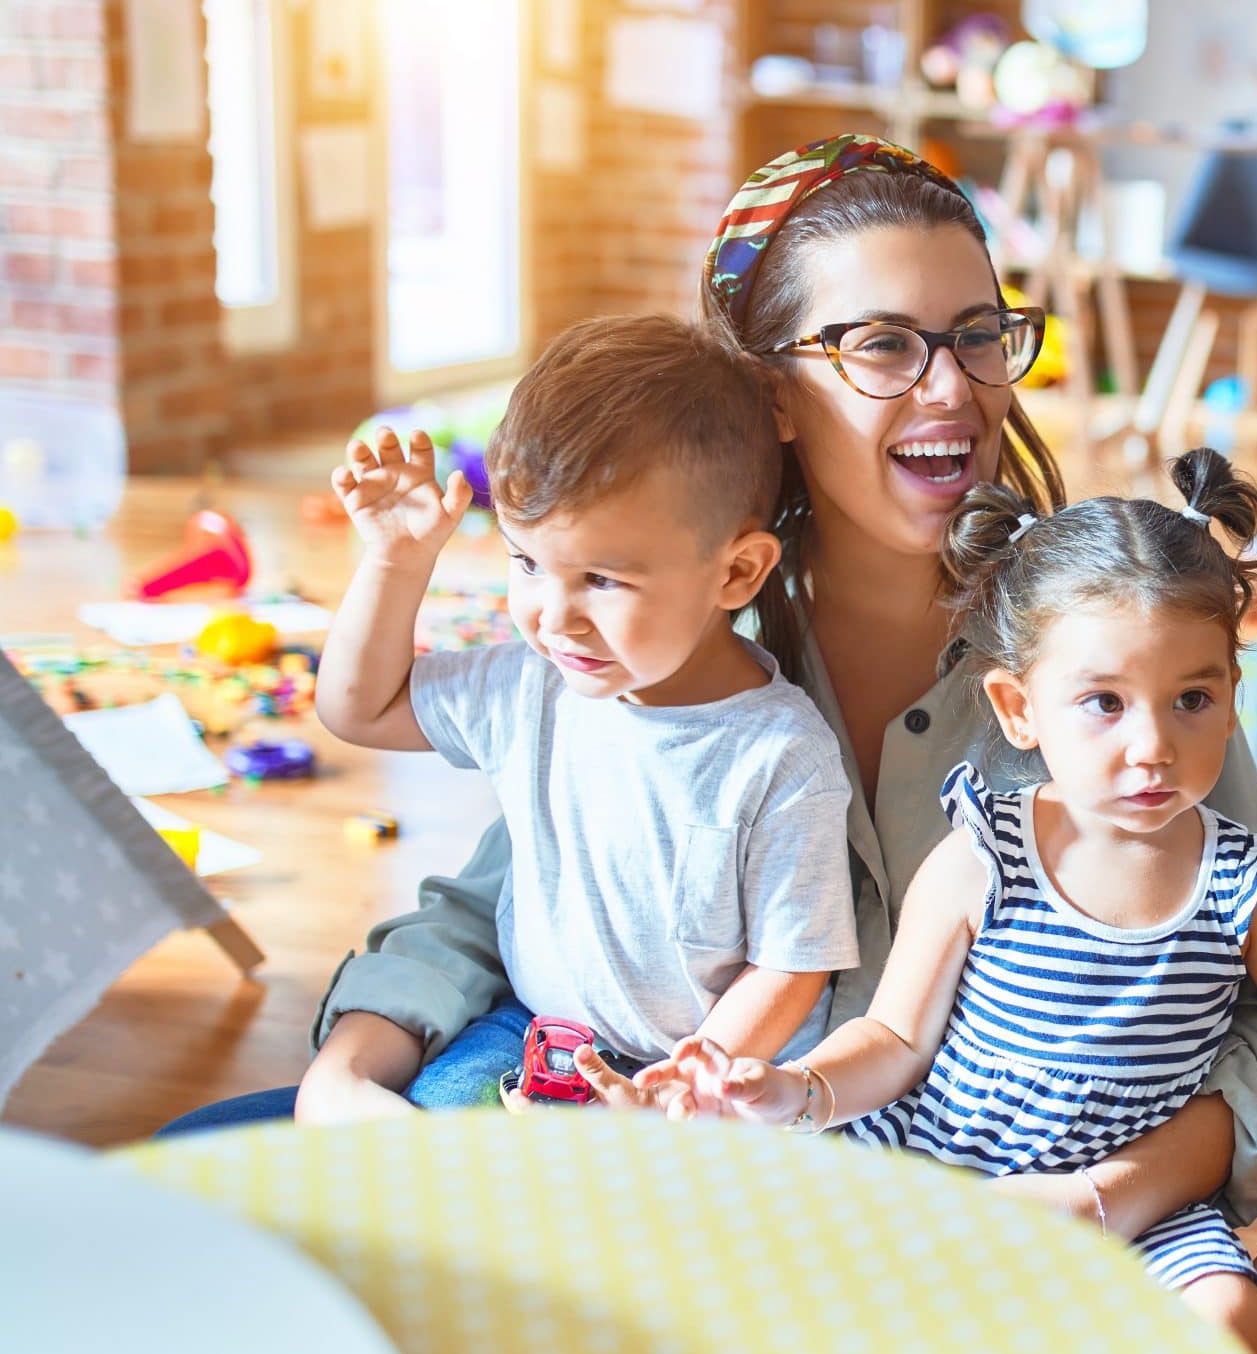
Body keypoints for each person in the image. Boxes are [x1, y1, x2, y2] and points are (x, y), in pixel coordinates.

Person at [166, 135, 1257, 1254]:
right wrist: (349, 1065)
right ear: (768, 394)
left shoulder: (1108, 657)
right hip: (660, 1160)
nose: (951, 387)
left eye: (975, 334)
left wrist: (1108, 1195)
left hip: (957, 1221)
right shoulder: (663, 636)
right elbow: (497, 903)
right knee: (184, 1188)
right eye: (881, 345)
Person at [629, 451, 1257, 1354]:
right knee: (765, 1265)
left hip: (1140, 1204)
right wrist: (800, 1090)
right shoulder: (985, 853)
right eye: (1103, 703)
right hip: (943, 1159)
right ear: (1019, 711)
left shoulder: (1244, 884)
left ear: (1231, 704)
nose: (1152, 745)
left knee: (1232, 1320)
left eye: (1192, 699)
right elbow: (897, 1039)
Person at [315, 316, 858, 1104]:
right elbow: (357, 710)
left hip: (712, 1075)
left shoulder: (778, 753)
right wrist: (396, 561)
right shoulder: (532, 686)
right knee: (430, 1151)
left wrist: (692, 1079)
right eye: (527, 562)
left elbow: (793, 961)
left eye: (601, 580)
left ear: (737, 572)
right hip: (542, 1036)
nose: (553, 616)